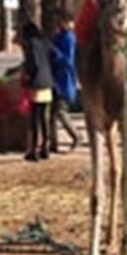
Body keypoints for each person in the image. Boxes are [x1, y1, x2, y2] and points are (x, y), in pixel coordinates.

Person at [20, 20, 53, 161]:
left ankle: (33, 150)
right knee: (44, 118)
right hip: (47, 82)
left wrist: (28, 77)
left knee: (34, 119)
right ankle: (46, 147)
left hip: (36, 83)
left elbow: (33, 63)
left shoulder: (30, 44)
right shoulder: (45, 42)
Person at [49, 9, 80, 152]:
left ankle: (76, 135)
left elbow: (68, 61)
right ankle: (53, 143)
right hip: (55, 81)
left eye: (60, 21)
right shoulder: (58, 37)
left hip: (64, 81)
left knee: (61, 112)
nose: (58, 24)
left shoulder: (69, 38)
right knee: (52, 115)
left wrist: (54, 53)